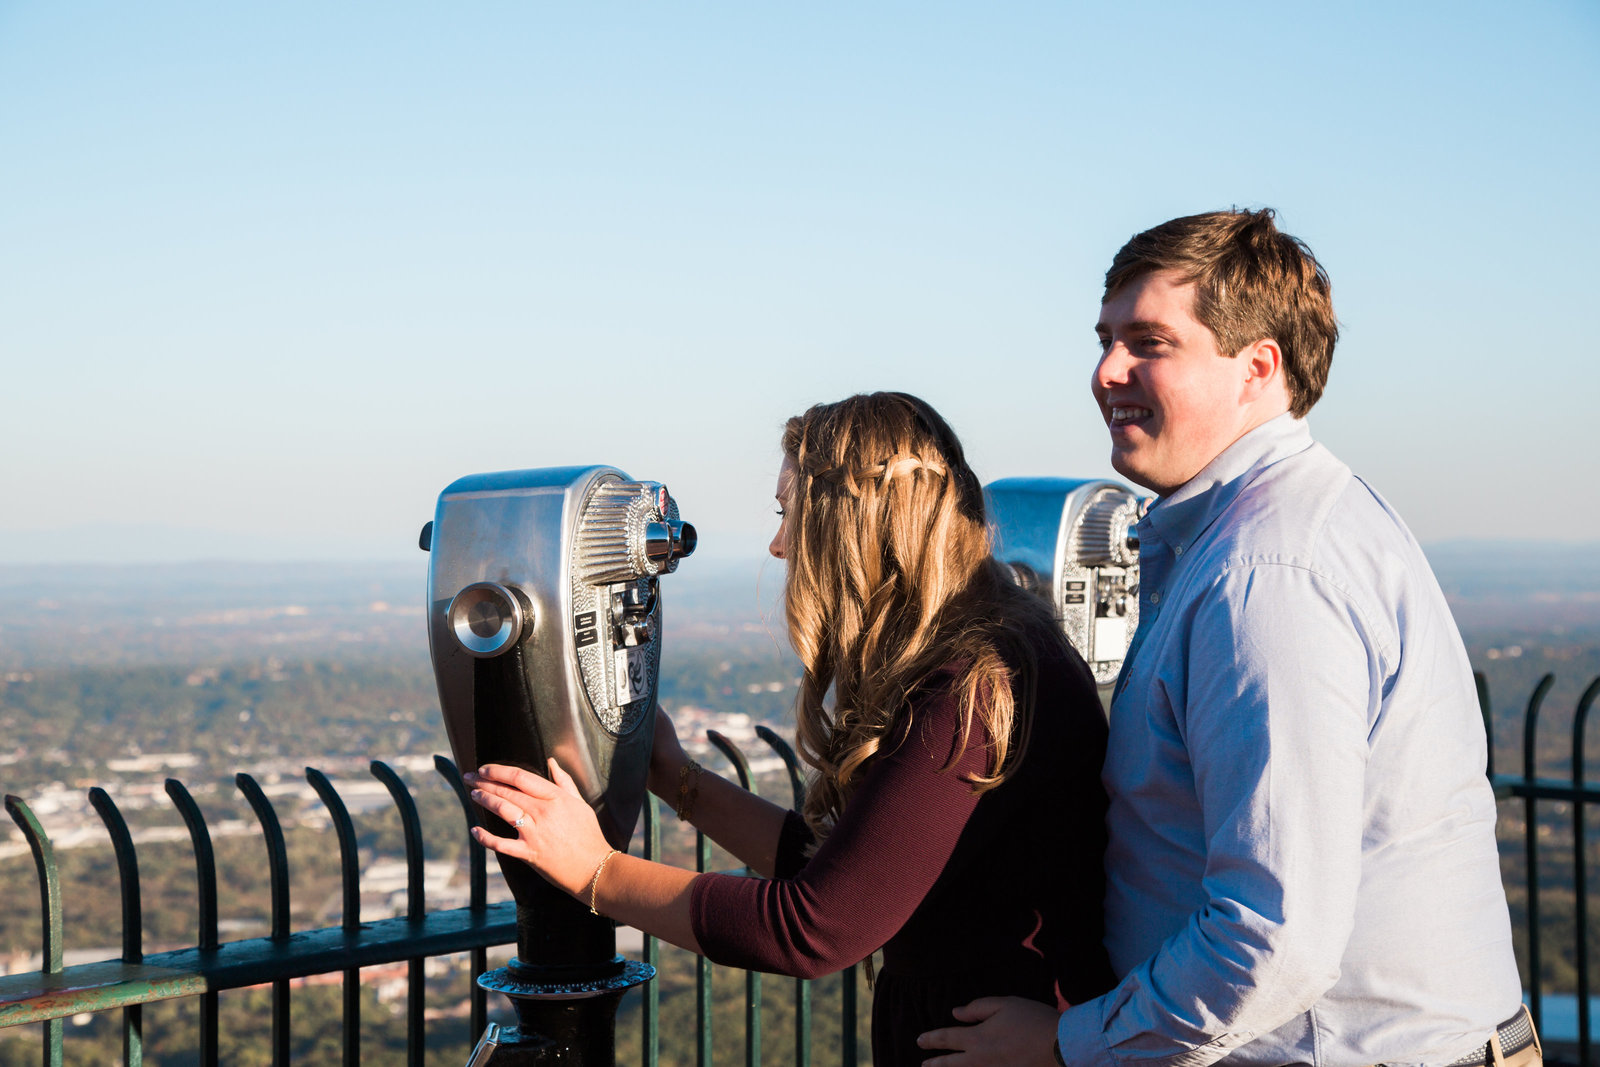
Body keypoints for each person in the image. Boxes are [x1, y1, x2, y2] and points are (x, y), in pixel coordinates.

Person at [920, 209, 1531, 1067]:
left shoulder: (1269, 574)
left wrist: (1067, 1043)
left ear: (1258, 367)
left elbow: (1274, 936)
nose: (1105, 370)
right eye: (1104, 338)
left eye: (1149, 341)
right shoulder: (1257, 534)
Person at [465, 391, 1115, 1065]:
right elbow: (858, 865)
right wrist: (678, 778)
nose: (778, 545)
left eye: (787, 513)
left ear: (851, 525)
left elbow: (814, 927)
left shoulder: (973, 685)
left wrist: (596, 871)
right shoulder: (984, 647)